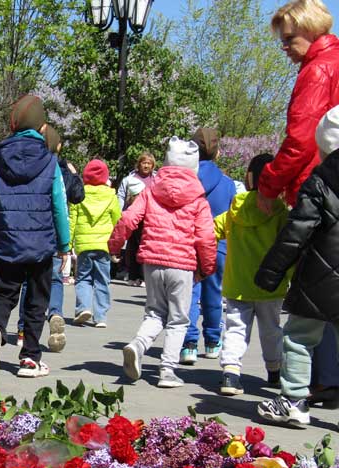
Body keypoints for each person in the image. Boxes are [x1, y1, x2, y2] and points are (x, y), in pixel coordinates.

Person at [108, 137, 216, 388]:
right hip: (183, 264)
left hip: (152, 262)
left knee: (155, 312)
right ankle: (167, 370)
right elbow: (206, 236)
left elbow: (128, 219)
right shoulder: (198, 198)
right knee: (178, 319)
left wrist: (114, 245)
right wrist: (207, 267)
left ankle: (138, 345)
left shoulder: (150, 191)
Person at [0, 95, 70, 379]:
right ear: (42, 127)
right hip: (41, 243)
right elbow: (58, 205)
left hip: (7, 241)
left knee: (5, 293)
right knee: (36, 299)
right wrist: (65, 245)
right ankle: (29, 357)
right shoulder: (49, 160)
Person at [256, 105, 339, 427]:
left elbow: (297, 231)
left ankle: (293, 401)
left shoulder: (320, 181)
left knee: (300, 338)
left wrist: (271, 270)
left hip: (319, 277)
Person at [213, 153, 289, 396]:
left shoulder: (236, 208)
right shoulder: (280, 212)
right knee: (272, 330)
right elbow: (291, 244)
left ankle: (231, 374)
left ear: (249, 178)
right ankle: (275, 371)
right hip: (271, 284)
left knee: (235, 328)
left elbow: (212, 229)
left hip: (238, 282)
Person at [257, 0, 339, 213]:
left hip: (318, 190)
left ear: (310, 28)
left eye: (290, 39)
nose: (284, 47)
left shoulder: (317, 70)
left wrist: (268, 185)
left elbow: (301, 140)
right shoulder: (334, 61)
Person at [15, 125, 81, 350]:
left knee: (27, 280)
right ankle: (55, 315)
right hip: (53, 231)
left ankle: (24, 328)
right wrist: (73, 174)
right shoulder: (60, 167)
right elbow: (74, 198)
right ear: (58, 146)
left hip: (29, 229)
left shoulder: (25, 164)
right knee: (54, 278)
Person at [180, 128, 236, 364]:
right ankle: (213, 341)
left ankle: (188, 344)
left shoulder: (185, 180)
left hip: (189, 244)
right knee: (214, 294)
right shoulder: (227, 183)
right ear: (217, 153)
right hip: (217, 244)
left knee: (189, 295)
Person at [71, 159, 121, 328]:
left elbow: (72, 220)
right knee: (102, 280)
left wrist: (68, 242)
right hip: (104, 245)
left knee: (83, 278)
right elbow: (117, 221)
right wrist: (117, 244)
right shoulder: (111, 196)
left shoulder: (79, 194)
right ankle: (100, 317)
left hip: (84, 245)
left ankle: (83, 308)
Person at [116, 152, 157, 287]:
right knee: (133, 247)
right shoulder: (129, 179)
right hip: (133, 218)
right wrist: (120, 215)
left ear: (153, 166)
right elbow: (121, 197)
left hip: (151, 219)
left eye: (149, 163)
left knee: (148, 248)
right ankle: (133, 276)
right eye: (143, 163)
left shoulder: (157, 179)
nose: (146, 166)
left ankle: (146, 277)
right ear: (138, 164)